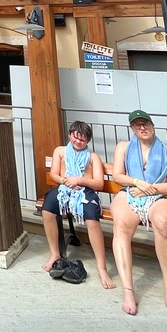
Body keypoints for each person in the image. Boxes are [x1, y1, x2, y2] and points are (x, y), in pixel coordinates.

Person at [111, 110, 167, 315]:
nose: (142, 128)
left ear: (153, 126)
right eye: (137, 125)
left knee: (162, 223)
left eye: (146, 124)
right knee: (121, 225)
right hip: (131, 193)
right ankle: (128, 290)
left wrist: (148, 189)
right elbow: (117, 176)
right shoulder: (123, 147)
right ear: (132, 128)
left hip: (160, 196)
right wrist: (137, 182)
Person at [41, 120, 115, 288]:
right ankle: (55, 254)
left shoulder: (93, 157)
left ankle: (102, 268)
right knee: (47, 210)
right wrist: (66, 181)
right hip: (64, 189)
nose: (78, 141)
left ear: (87, 141)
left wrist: (79, 180)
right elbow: (53, 174)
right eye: (75, 137)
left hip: (85, 191)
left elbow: (99, 184)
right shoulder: (60, 151)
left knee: (92, 220)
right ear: (70, 135)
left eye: (82, 139)